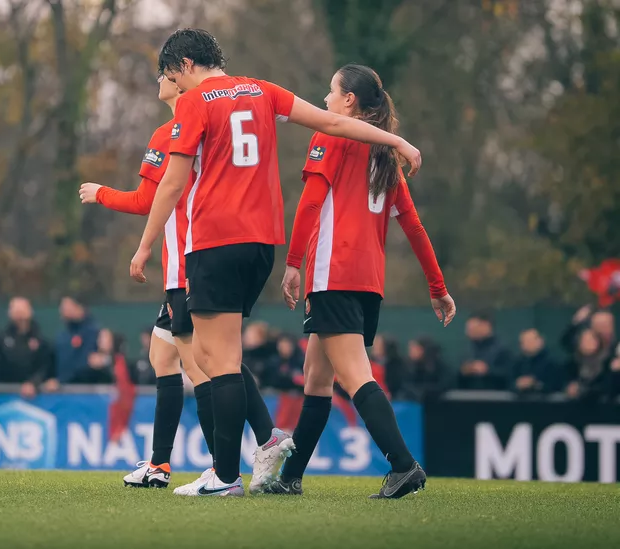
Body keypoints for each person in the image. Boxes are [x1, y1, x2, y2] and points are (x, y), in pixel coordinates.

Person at [129, 30, 423, 497]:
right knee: (213, 355)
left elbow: (171, 183)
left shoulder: (196, 102)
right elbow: (335, 123)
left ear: (185, 64)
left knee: (218, 361)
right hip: (261, 244)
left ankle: (227, 475)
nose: (175, 85)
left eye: (172, 75)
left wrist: (145, 245)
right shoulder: (262, 90)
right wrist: (397, 140)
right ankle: (249, 456)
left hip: (215, 240)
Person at [80, 73, 287, 492]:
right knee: (165, 355)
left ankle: (233, 461)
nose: (160, 78)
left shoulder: (172, 131)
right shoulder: (217, 122)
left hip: (189, 262)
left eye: (167, 72)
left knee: (206, 365)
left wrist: (101, 192)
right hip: (205, 255)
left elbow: (146, 199)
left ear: (180, 81)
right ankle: (161, 463)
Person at [270, 64, 455, 499]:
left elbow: (310, 204)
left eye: (331, 91)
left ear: (349, 100)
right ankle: (291, 476)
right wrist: (437, 287)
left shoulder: (331, 136)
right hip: (367, 280)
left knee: (355, 376)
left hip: (333, 273)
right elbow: (413, 226)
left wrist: (293, 263)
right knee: (316, 379)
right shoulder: (385, 155)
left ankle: (404, 466)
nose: (326, 99)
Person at [0, 297, 54, 398]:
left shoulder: (41, 341)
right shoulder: (0, 339)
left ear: (30, 312)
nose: (19, 315)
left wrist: (33, 383)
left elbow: (45, 367)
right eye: (16, 310)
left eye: (22, 310)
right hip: (4, 393)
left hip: (34, 395)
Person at [459, 312, 512, 390]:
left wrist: (487, 370)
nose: (468, 332)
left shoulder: (503, 349)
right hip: (469, 393)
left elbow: (509, 374)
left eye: (473, 329)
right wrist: (465, 370)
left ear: (486, 325)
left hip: (495, 394)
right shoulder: (468, 349)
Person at [54, 297, 101, 384]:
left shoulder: (93, 333)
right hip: (61, 389)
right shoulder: (62, 336)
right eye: (62, 308)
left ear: (80, 308)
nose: (63, 311)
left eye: (68, 307)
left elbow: (86, 363)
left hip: (85, 387)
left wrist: (63, 379)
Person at [512, 329, 561, 395]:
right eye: (524, 342)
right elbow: (509, 383)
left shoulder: (552, 363)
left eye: (530, 341)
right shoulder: (517, 363)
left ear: (540, 341)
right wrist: (518, 384)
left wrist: (534, 384)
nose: (527, 344)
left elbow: (555, 386)